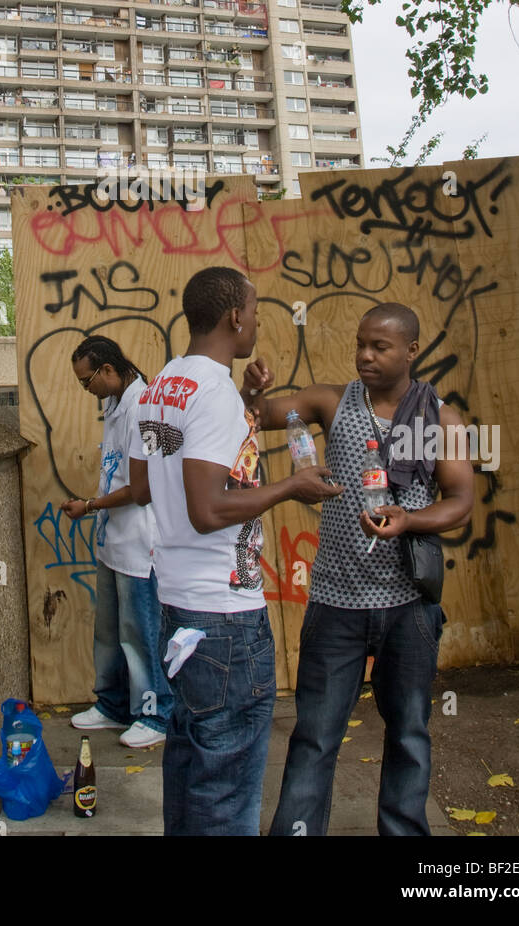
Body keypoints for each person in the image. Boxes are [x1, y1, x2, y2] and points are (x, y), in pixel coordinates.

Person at [243, 302, 475, 837]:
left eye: (380, 347)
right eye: (360, 344)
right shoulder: (332, 401)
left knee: (410, 734)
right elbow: (264, 415)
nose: (365, 356)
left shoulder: (442, 419)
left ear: (411, 351)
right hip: (335, 605)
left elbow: (461, 499)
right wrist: (253, 392)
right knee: (316, 735)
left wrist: (410, 518)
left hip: (409, 607)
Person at [128, 266, 343, 836]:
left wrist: (249, 402)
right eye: (254, 311)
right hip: (223, 619)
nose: (255, 322)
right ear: (235, 317)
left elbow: (157, 481)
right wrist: (292, 486)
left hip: (177, 608)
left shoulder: (161, 386)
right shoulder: (213, 392)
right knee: (225, 791)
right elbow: (208, 509)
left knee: (192, 765)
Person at [63, 335, 173, 750]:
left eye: (86, 380)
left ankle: (156, 714)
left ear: (108, 370)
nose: (84, 389)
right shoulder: (113, 403)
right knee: (109, 632)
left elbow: (142, 490)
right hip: (113, 541)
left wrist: (89, 506)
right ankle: (111, 706)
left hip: (140, 544)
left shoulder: (143, 408)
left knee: (141, 634)